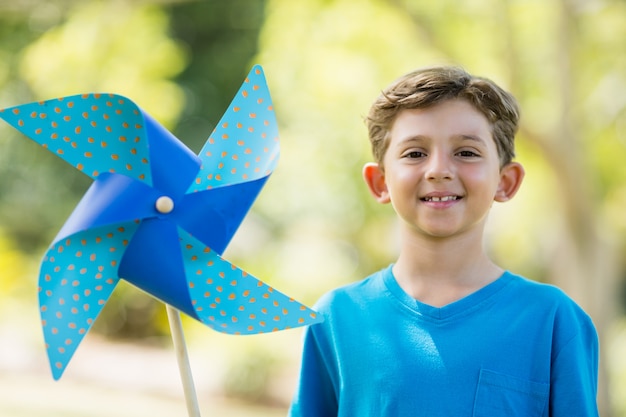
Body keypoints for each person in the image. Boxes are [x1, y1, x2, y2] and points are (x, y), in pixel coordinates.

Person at [288, 66, 599, 416]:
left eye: (466, 152)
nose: (439, 170)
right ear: (380, 182)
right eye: (414, 153)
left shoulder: (553, 320)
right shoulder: (336, 318)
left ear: (505, 181)